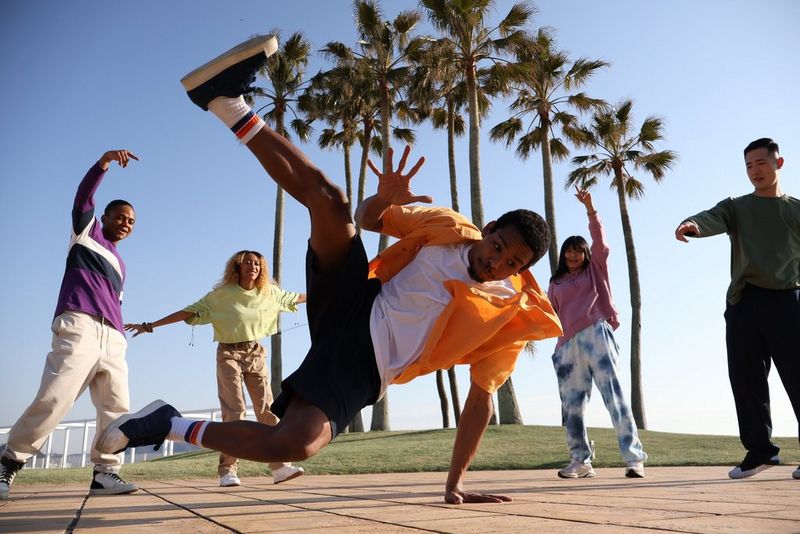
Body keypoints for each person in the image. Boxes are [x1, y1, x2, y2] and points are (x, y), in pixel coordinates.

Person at [95, 35, 562, 504]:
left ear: (523, 270)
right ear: (489, 227)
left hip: (366, 367)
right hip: (357, 300)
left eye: (511, 263)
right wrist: (384, 198)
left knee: (295, 443)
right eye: (497, 246)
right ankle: (226, 102)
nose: (495, 262)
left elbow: (480, 399)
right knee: (332, 203)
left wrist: (455, 481)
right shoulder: (450, 227)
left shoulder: (510, 312)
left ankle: (167, 423)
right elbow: (367, 218)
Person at [0, 150, 140, 500]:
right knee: (55, 398)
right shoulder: (86, 234)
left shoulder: (122, 265)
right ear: (103, 217)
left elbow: (116, 303)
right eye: (120, 216)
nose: (125, 223)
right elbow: (83, 197)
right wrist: (103, 164)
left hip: (114, 337)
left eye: (132, 221)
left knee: (116, 407)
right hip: (79, 325)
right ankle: (9, 461)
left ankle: (106, 472)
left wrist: (119, 336)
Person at [124, 250, 306, 486]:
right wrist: (151, 326)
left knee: (266, 410)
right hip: (228, 353)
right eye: (248, 263)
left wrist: (332, 290)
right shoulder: (220, 296)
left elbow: (295, 297)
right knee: (234, 411)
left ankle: (280, 466)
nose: (253, 267)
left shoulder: (269, 293)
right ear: (237, 267)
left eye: (258, 264)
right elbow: (187, 312)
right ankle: (227, 470)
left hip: (255, 353)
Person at [675, 137, 800, 480]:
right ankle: (760, 452)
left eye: (761, 163)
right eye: (748, 165)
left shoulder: (796, 210)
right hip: (744, 302)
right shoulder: (737, 207)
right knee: (746, 380)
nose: (755, 171)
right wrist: (693, 225)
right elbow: (711, 217)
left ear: (779, 163)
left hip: (788, 301)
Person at [547, 188, 647, 479]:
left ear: (585, 253)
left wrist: (590, 209)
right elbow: (548, 314)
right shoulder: (555, 283)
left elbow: (601, 242)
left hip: (596, 334)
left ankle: (634, 458)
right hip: (566, 346)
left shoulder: (595, 270)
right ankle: (580, 461)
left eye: (579, 250)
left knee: (613, 396)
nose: (573, 254)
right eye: (569, 250)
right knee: (572, 408)